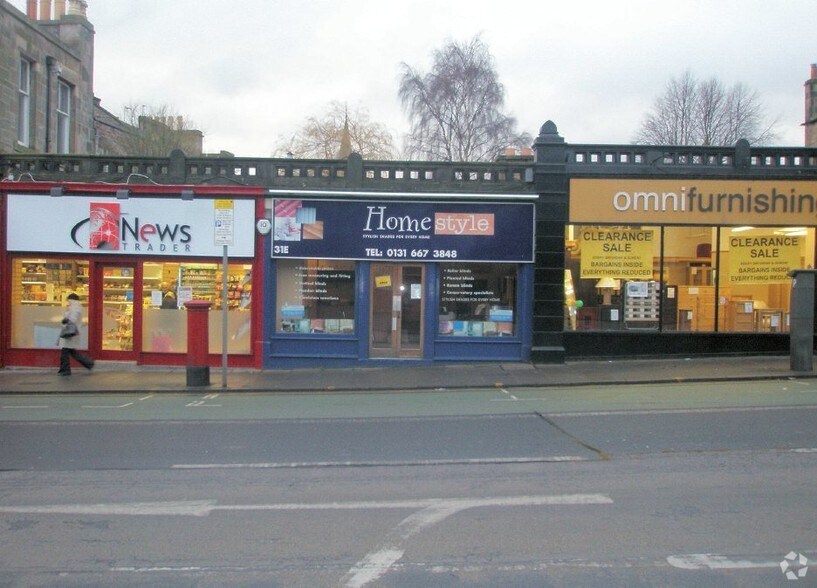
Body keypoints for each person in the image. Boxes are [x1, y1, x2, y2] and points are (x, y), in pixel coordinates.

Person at [58, 293, 94, 376]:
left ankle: (65, 370)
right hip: (72, 333)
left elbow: (73, 319)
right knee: (71, 351)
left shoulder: (74, 308)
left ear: (71, 300)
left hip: (70, 333)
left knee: (65, 352)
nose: (68, 302)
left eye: (69, 300)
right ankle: (88, 363)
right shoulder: (76, 307)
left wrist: (66, 320)